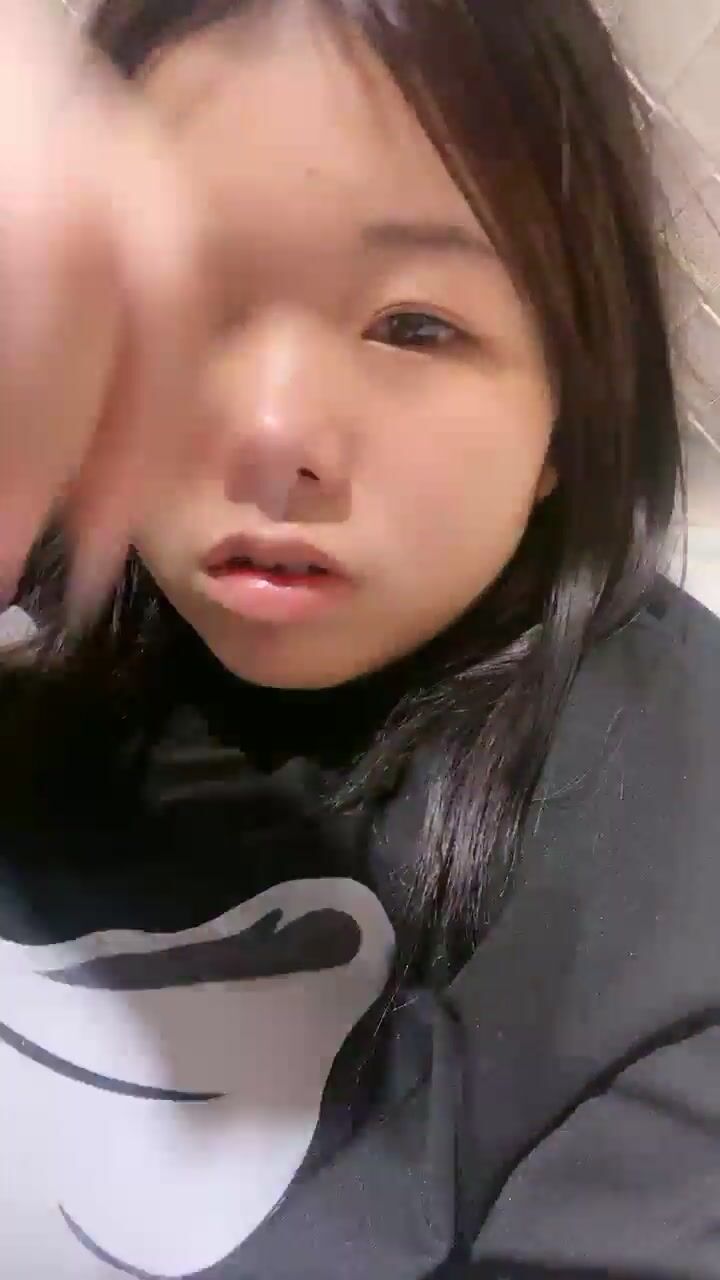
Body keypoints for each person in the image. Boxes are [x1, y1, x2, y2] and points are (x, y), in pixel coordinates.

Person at [0, 0, 718, 1276]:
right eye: (196, 300)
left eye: (416, 325)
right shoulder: (45, 578)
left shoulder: (674, 854)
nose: (278, 434)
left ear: (571, 406)